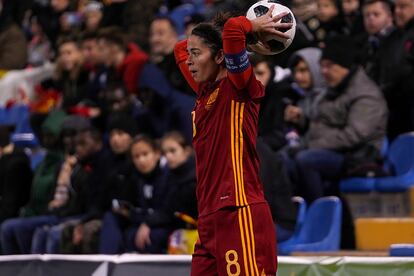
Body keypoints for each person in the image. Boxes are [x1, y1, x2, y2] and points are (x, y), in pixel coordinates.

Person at [174, 6, 292, 275]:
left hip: (239, 210)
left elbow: (232, 31)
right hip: (208, 217)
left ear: (219, 56)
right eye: (191, 55)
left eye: (197, 54)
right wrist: (210, 36)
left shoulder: (240, 86)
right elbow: (180, 48)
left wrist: (251, 29)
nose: (189, 60)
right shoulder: (205, 93)